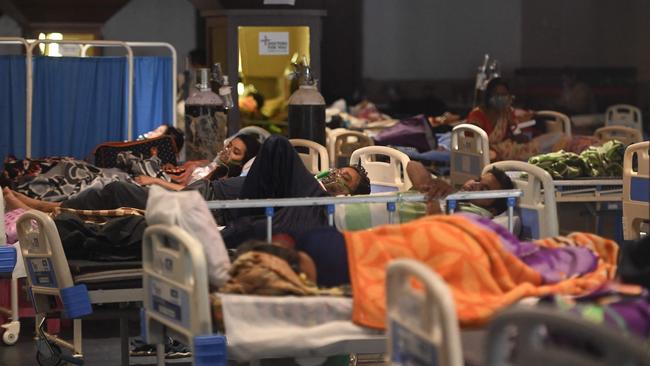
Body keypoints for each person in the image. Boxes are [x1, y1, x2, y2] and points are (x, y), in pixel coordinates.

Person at [4, 136, 370, 245]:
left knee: (116, 189)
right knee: (113, 189)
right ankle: (44, 209)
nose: (339, 173)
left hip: (208, 206)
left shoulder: (311, 202)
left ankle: (42, 210)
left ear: (348, 197)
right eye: (343, 169)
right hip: (204, 193)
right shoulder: (301, 181)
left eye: (348, 180)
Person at [467, 78, 566, 161]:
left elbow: (516, 132)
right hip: (486, 152)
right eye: (497, 94)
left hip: (509, 148)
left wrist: (520, 136)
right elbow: (473, 144)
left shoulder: (506, 112)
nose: (501, 98)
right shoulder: (477, 115)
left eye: (504, 95)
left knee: (557, 138)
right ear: (489, 96)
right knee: (492, 155)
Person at [135, 133, 261, 191]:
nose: (227, 151)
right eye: (229, 145)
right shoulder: (215, 167)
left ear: (243, 161)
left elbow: (189, 192)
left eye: (236, 152)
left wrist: (155, 181)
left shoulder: (227, 183)